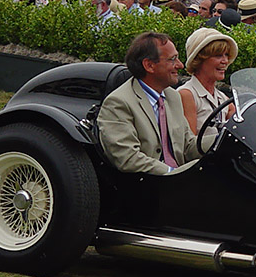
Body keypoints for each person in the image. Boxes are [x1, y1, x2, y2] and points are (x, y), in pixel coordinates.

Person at [97, 32, 206, 174]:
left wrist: (221, 140)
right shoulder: (118, 103)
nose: (180, 65)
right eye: (172, 59)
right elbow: (128, 159)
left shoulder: (172, 96)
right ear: (149, 65)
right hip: (147, 187)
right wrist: (174, 173)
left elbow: (188, 145)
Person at [179, 28, 238, 134]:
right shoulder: (187, 94)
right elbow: (189, 145)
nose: (225, 61)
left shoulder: (224, 99)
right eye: (218, 55)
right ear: (200, 60)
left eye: (226, 55)